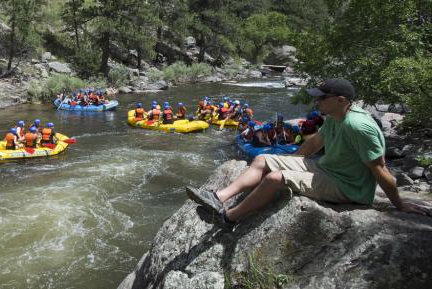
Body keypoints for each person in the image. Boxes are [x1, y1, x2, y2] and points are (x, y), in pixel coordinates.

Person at [185, 78, 432, 229]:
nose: (317, 102)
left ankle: (228, 219)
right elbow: (314, 143)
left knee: (274, 178)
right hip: (327, 170)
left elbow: (380, 169)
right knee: (262, 159)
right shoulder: (335, 116)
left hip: (348, 187)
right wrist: (291, 161)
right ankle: (219, 196)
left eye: (322, 98)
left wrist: (399, 204)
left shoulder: (359, 126)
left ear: (341, 99)